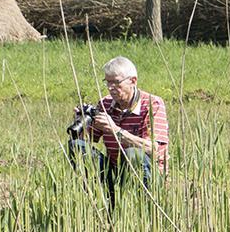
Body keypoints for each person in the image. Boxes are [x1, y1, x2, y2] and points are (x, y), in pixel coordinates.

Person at [68, 56, 169, 206]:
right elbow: (87, 141)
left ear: (133, 81)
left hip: (149, 174)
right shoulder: (105, 104)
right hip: (115, 172)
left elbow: (152, 148)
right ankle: (105, 201)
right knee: (77, 145)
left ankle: (145, 206)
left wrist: (116, 130)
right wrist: (81, 122)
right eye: (107, 82)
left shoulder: (152, 104)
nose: (110, 87)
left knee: (132, 154)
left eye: (116, 82)